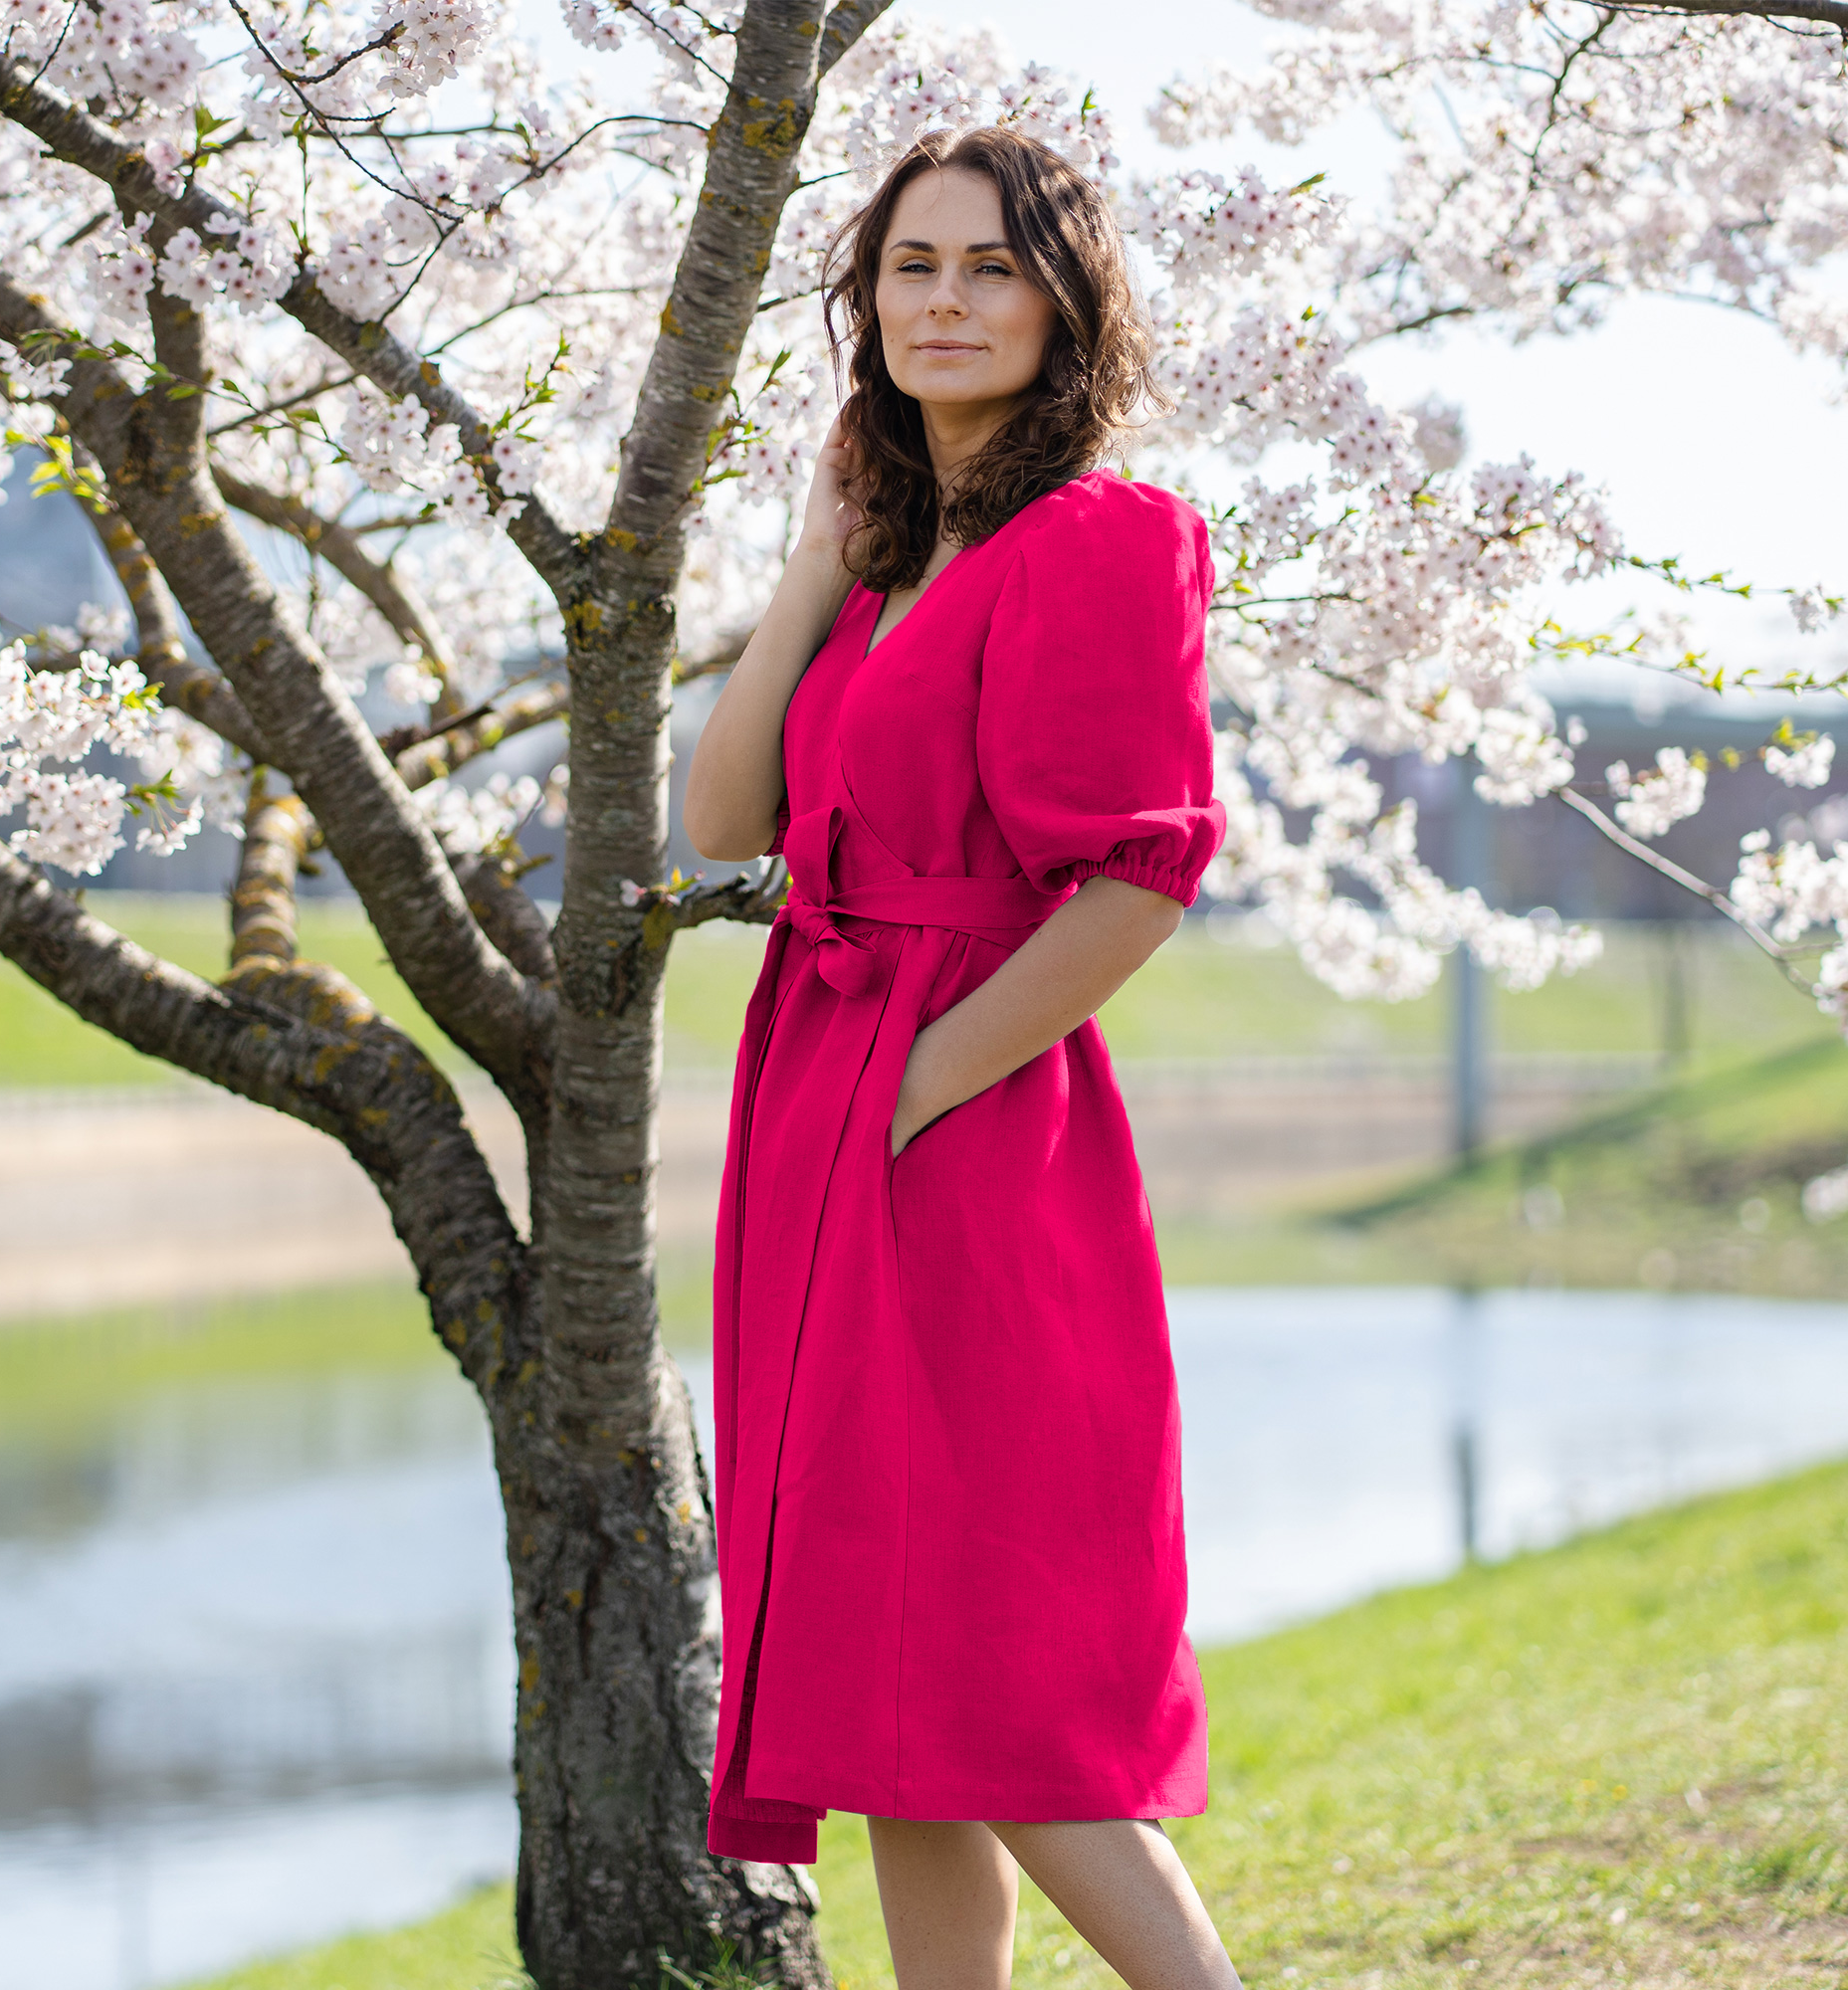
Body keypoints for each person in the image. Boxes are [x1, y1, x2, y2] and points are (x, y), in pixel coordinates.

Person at [683, 124, 1243, 1990]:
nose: (946, 301)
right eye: (912, 266)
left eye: (992, 266)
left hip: (970, 1113)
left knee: (999, 1675)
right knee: (888, 1682)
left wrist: (922, 1093)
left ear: (1064, 302)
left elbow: (1137, 885)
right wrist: (806, 569)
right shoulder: (880, 572)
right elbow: (720, 822)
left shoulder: (1101, 536)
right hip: (818, 1093)